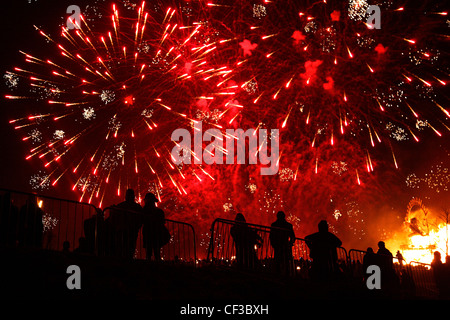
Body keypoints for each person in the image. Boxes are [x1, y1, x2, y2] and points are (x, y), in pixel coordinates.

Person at [110, 189, 143, 259]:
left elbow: (114, 218)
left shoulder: (121, 206)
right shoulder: (137, 207)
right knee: (130, 247)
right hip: (130, 230)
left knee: (123, 247)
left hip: (124, 230)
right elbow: (141, 219)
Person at [142, 192, 169, 261]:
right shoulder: (159, 211)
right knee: (156, 253)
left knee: (149, 253)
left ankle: (150, 269)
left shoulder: (144, 211)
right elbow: (163, 222)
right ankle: (158, 268)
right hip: (156, 234)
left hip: (149, 234)